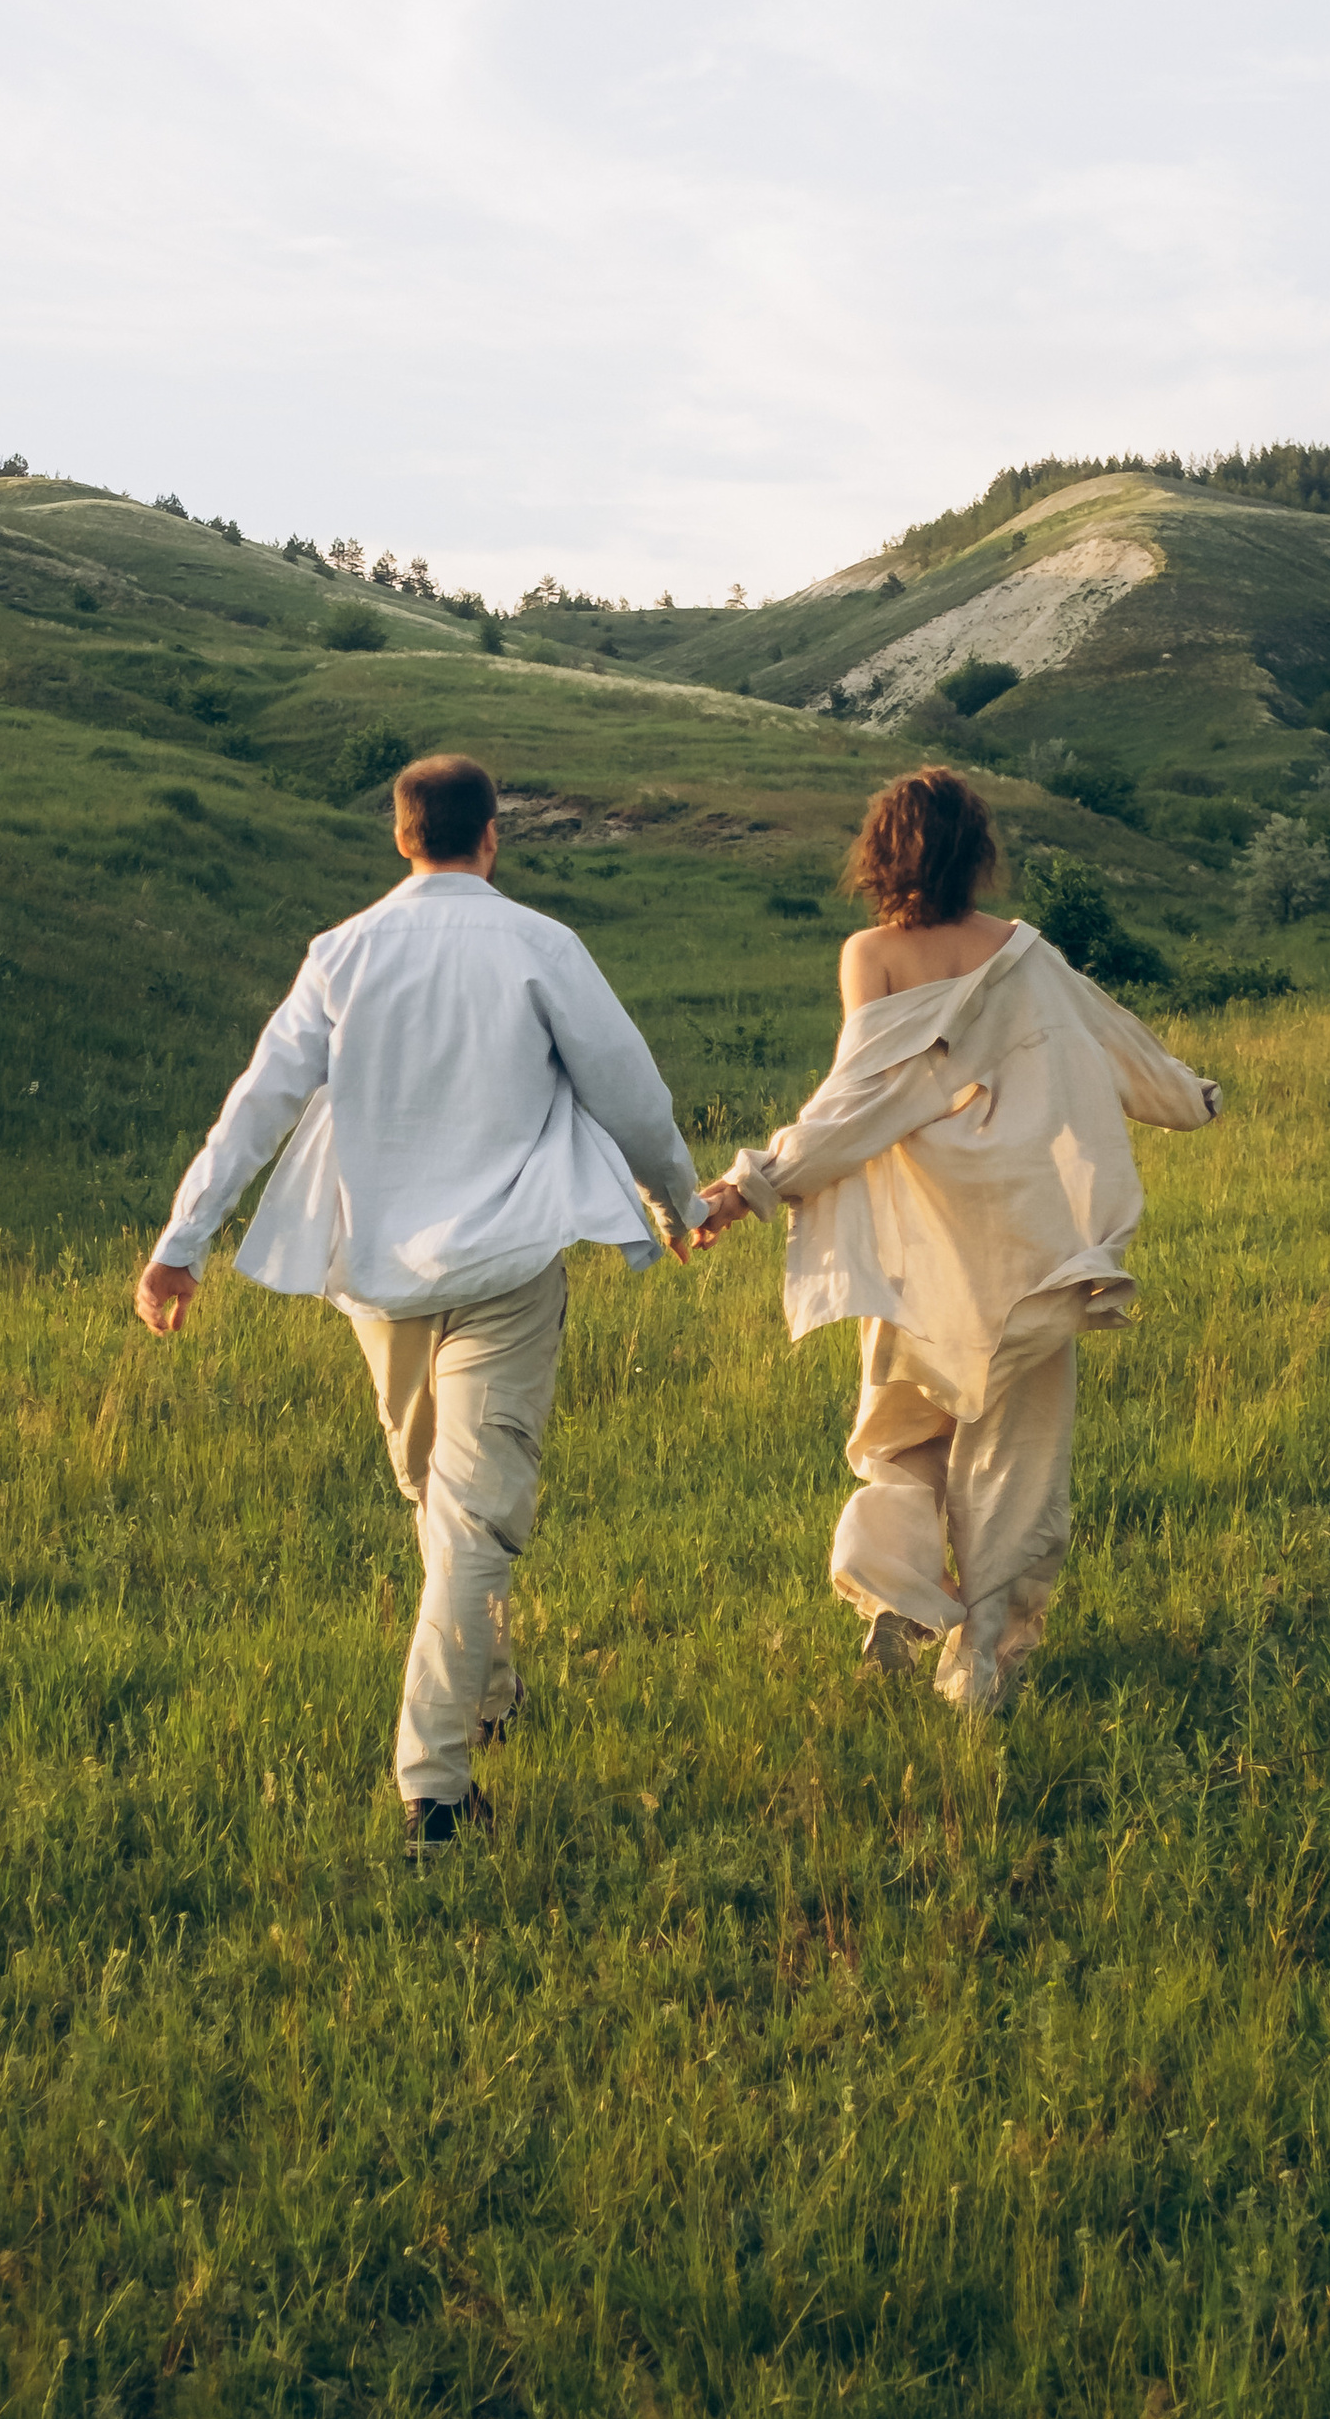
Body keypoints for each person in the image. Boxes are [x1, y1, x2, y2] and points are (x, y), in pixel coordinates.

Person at [135, 751, 709, 1852]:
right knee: (458, 1513)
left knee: (450, 1509)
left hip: (378, 1272)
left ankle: (439, 1772)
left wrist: (183, 1243)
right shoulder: (541, 944)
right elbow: (626, 1086)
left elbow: (258, 1100)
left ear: (401, 837)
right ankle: (460, 1754)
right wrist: (674, 1199)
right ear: (491, 835)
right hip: (505, 1260)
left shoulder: (342, 953)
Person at [696, 766, 1220, 1712]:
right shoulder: (1028, 952)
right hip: (1026, 1237)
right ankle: (983, 1669)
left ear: (882, 852)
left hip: (919, 1239)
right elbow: (1122, 1045)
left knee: (903, 1432)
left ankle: (897, 1598)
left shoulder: (872, 955)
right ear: (978, 850)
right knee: (1018, 1459)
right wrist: (1194, 1098)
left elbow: (859, 1102)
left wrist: (754, 1182)